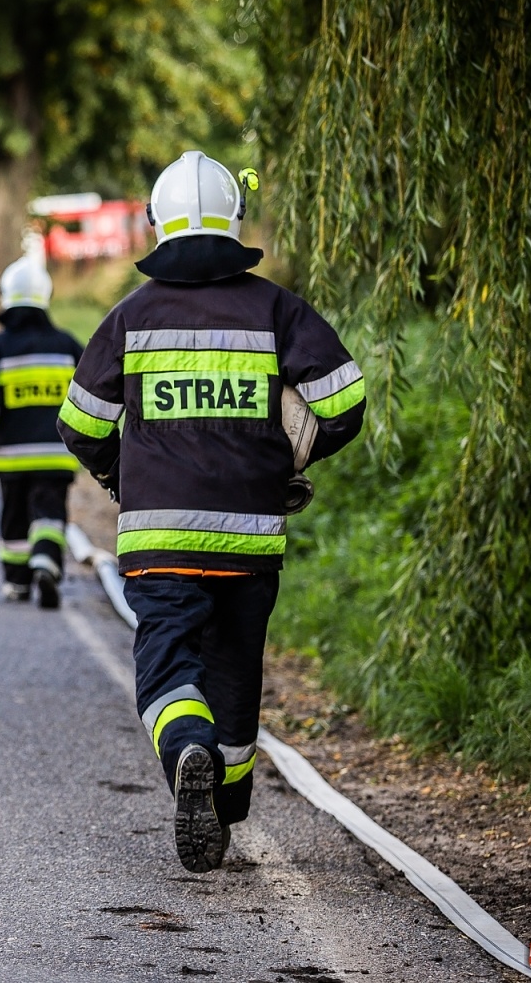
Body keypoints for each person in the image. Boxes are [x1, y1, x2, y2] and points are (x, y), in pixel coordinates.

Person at [56, 151, 365, 873]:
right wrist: (288, 459)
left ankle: (186, 748)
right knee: (233, 668)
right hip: (250, 538)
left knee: (168, 662)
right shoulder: (276, 309)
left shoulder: (129, 316)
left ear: (157, 225)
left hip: (159, 537)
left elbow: (81, 423)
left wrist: (118, 476)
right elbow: (344, 405)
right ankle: (222, 806)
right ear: (235, 222)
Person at [0, 245, 83, 609]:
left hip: (11, 458)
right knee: (50, 511)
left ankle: (17, 582)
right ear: (46, 297)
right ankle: (46, 557)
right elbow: (89, 400)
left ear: (6, 296)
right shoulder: (68, 347)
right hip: (58, 456)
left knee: (14, 515)